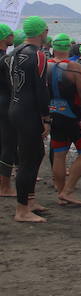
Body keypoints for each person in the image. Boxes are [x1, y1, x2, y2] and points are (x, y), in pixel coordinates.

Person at [8, 17, 52, 222]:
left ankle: (30, 200)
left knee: (36, 154)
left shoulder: (14, 52)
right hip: (29, 111)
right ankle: (22, 210)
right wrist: (46, 117)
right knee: (28, 160)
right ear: (41, 32)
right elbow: (41, 89)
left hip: (15, 107)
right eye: (46, 30)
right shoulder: (39, 55)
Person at [47, 33, 81, 207]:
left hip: (53, 113)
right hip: (72, 115)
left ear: (54, 47)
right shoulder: (74, 67)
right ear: (68, 47)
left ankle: (61, 192)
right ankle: (68, 191)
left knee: (60, 154)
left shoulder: (44, 66)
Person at [0, 24, 16, 197]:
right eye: (10, 34)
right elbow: (13, 86)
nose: (13, 36)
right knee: (8, 144)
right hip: (5, 103)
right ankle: (5, 187)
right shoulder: (5, 59)